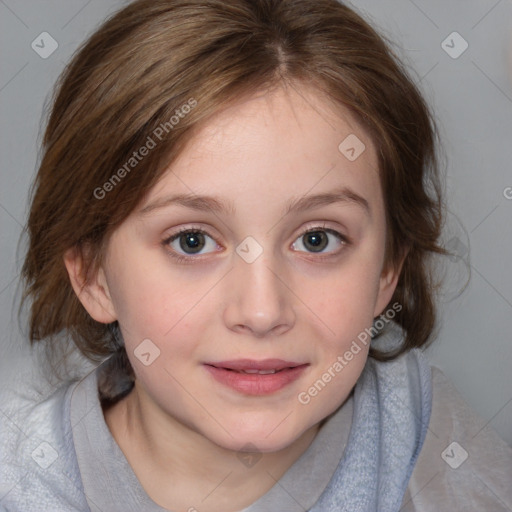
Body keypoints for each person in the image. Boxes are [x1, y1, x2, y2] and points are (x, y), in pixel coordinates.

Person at [1, 0, 511, 510]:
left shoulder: (426, 441)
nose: (262, 312)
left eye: (317, 239)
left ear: (387, 269)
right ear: (93, 275)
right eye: (192, 241)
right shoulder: (20, 477)